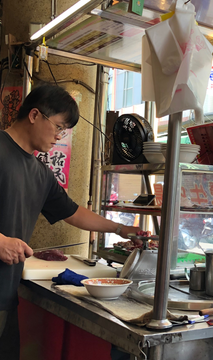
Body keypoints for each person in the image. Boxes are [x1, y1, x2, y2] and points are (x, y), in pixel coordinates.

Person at [0, 84, 139, 359]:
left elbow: (73, 212)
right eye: (59, 127)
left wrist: (121, 228)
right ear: (35, 115)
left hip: (5, 293)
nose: (59, 136)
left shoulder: (40, 173)